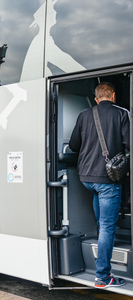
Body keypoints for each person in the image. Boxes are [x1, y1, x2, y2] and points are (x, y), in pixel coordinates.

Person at [69, 82, 130, 288]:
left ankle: (99, 256)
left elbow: (73, 145)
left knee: (102, 223)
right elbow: (129, 144)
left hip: (86, 179)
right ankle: (103, 276)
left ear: (96, 98)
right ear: (113, 95)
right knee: (107, 227)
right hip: (107, 180)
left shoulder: (84, 115)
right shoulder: (122, 114)